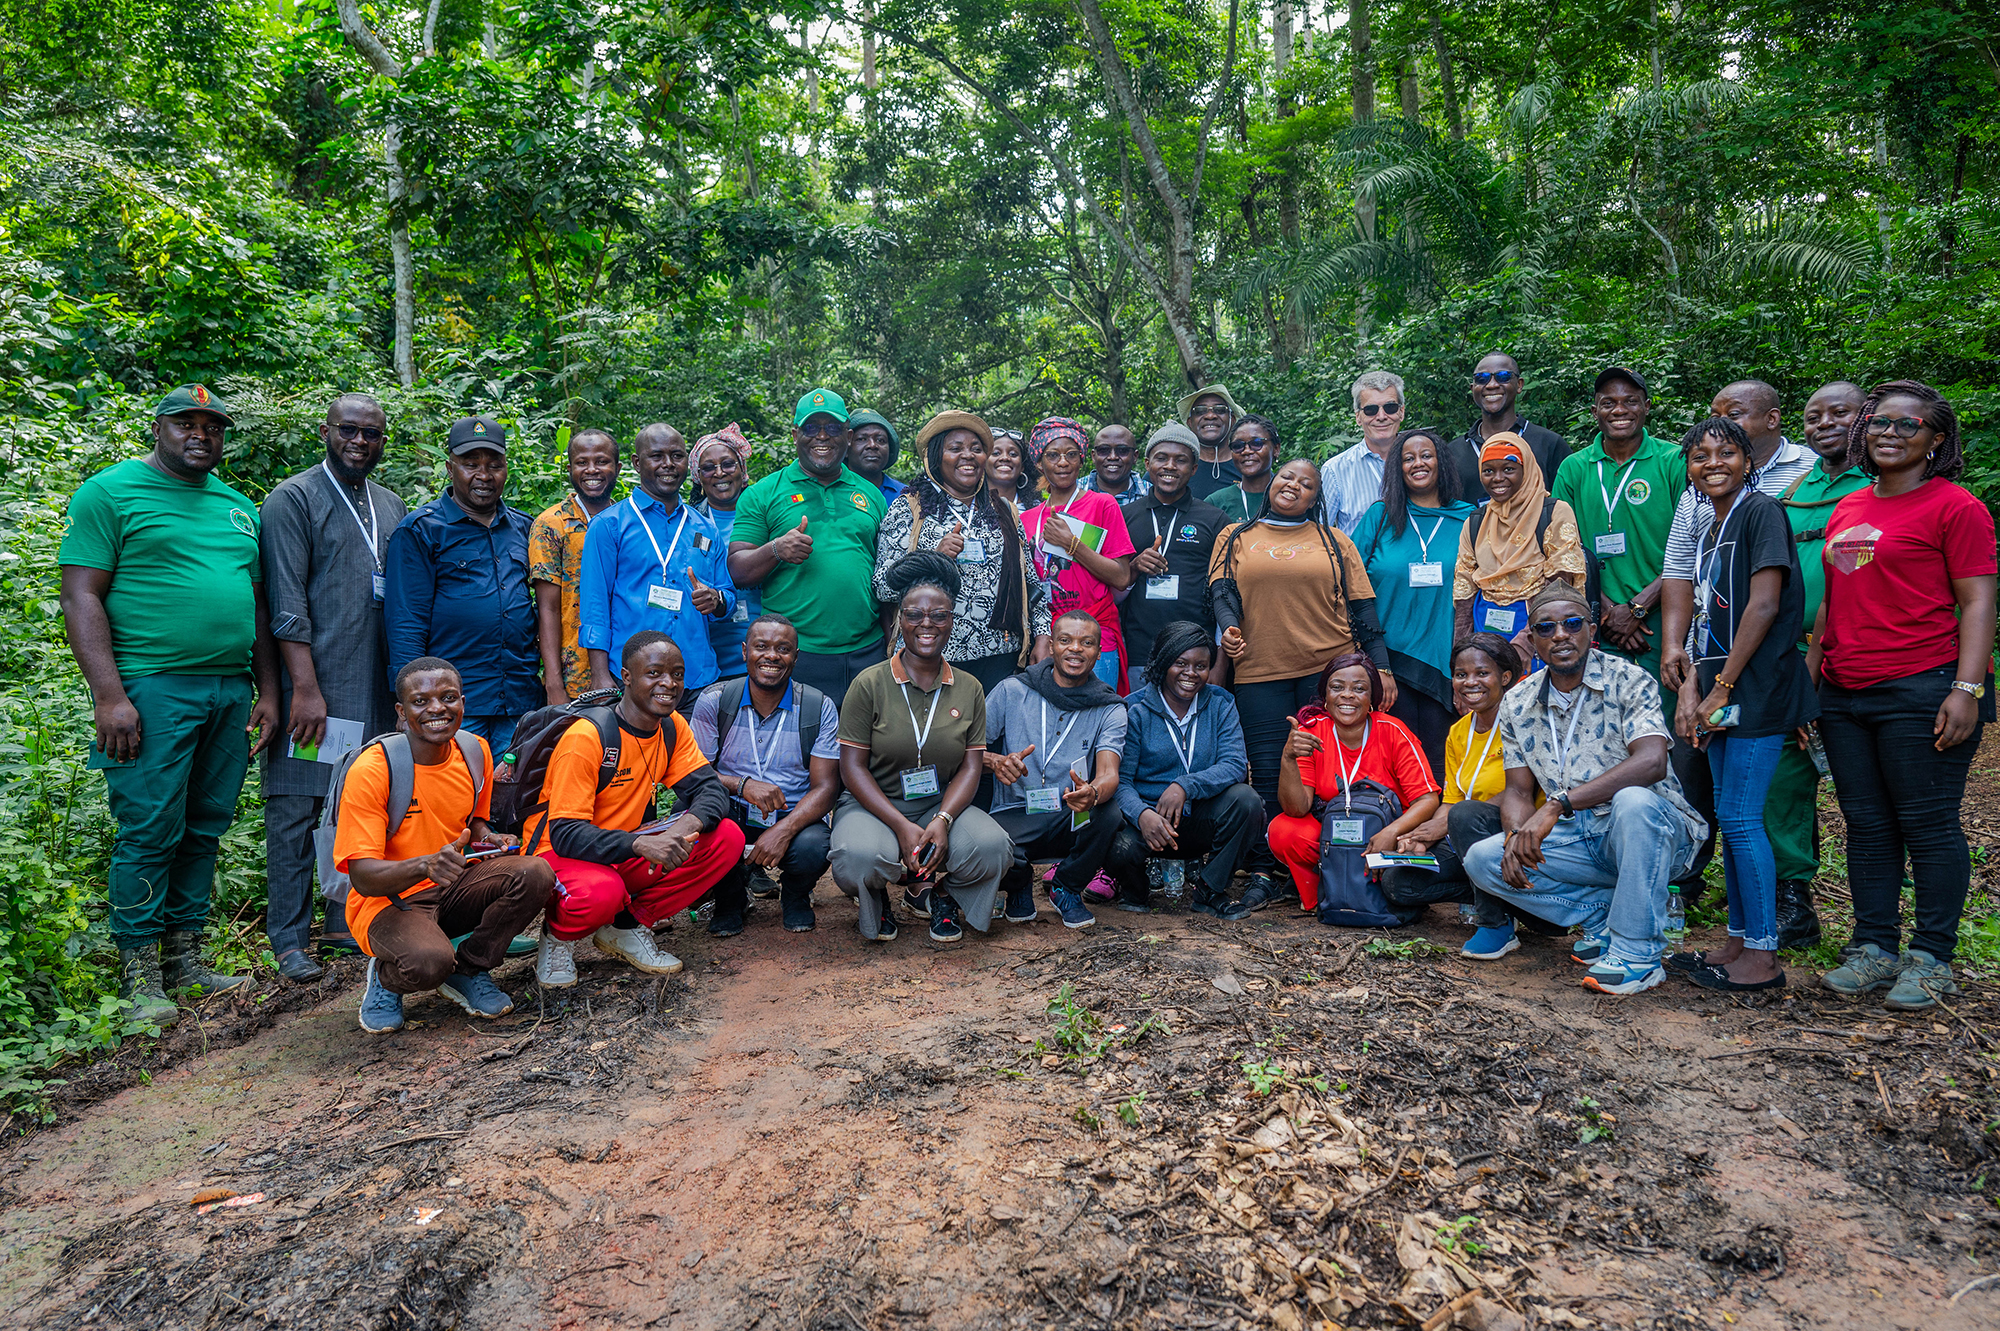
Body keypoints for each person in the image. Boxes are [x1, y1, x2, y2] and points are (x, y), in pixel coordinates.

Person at [59, 383, 277, 1019]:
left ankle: (187, 957)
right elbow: (81, 597)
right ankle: (141, 974)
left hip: (229, 690)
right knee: (151, 825)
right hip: (151, 688)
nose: (200, 435)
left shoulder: (239, 507)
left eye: (213, 427)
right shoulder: (110, 493)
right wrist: (109, 695)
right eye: (187, 423)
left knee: (205, 823)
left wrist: (265, 689)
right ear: (159, 427)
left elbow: (257, 606)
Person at [1809, 381, 1996, 1012]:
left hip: (1924, 683)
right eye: (1879, 423)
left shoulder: (1956, 507)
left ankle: (1932, 957)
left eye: (1906, 426)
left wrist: (1966, 688)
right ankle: (1873, 947)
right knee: (1865, 825)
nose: (1889, 433)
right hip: (1844, 687)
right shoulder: (1849, 506)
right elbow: (1833, 601)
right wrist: (1812, 680)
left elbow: (1977, 602)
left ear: (1935, 440)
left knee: (1927, 822)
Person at [1459, 586, 1708, 995]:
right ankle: (1603, 917)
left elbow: (1652, 762)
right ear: (1533, 638)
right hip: (1580, 838)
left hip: (1650, 833)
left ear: (1590, 630)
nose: (1560, 635)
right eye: (1547, 627)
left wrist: (1559, 804)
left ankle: (1638, 955)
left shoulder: (1628, 679)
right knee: (1484, 859)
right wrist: (1514, 839)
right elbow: (1519, 792)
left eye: (1572, 624)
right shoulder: (1518, 700)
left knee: (1633, 801)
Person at [1660, 417, 1818, 991]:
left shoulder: (1761, 513)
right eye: (1699, 456)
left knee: (1744, 818)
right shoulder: (1710, 528)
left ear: (1749, 460)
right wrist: (1694, 686)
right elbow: (1707, 616)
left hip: (1757, 688)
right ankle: (1738, 940)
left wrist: (1723, 686)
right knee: (1727, 814)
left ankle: (1764, 956)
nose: (1712, 463)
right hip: (1721, 685)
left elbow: (1765, 605)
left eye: (1726, 452)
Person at [259, 392, 410, 980]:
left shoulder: (390, 504)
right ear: (326, 431)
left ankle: (345, 922)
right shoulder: (293, 499)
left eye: (372, 434)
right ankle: (290, 939)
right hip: (317, 686)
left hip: (373, 684)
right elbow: (284, 599)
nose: (360, 442)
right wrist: (304, 688)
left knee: (356, 810)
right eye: (349, 430)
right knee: (297, 807)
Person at [1210, 459, 1391, 909]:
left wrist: (1381, 669)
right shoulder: (1235, 536)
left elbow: (1363, 609)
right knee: (1270, 773)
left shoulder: (1334, 541)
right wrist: (1230, 628)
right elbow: (1221, 592)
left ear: (1316, 496)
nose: (1294, 485)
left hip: (1326, 672)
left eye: (1306, 483)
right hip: (1259, 671)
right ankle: (1267, 871)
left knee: (1326, 770)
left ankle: (1329, 862)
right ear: (1273, 483)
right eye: (1287, 477)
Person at [339, 658, 555, 1034]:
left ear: (463, 703)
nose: (437, 708)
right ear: (401, 712)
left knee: (535, 872)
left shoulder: (474, 752)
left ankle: (470, 970)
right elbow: (362, 877)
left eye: (448, 697)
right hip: (390, 901)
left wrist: (488, 837)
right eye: (420, 701)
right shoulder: (373, 769)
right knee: (427, 964)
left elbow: (473, 820)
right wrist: (424, 866)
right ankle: (387, 976)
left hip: (452, 886)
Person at [530, 632, 745, 986]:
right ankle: (557, 938)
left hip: (622, 847)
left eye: (677, 674)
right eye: (654, 673)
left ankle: (627, 927)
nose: (669, 683)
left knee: (726, 837)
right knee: (603, 891)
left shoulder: (671, 726)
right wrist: (640, 845)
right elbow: (565, 833)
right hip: (559, 854)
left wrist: (682, 826)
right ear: (626, 677)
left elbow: (709, 789)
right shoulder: (588, 737)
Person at [832, 553, 1012, 944]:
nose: (926, 624)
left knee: (993, 848)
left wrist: (944, 819)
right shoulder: (869, 683)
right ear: (899, 618)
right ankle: (876, 899)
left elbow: (969, 766)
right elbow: (852, 768)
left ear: (952, 620)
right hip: (873, 805)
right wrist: (899, 825)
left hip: (936, 806)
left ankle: (942, 894)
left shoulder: (969, 687)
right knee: (857, 858)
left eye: (939, 616)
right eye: (914, 615)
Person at [1761, 381, 1869, 948]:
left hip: (1856, 655)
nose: (1824, 423)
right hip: (1792, 655)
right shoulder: (1797, 489)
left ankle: (1882, 928)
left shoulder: (1879, 489)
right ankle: (1792, 899)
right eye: (1814, 415)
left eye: (1840, 413)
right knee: (1785, 775)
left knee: (1867, 793)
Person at [385, 415, 540, 743]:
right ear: (450, 467)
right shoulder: (421, 531)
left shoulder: (526, 529)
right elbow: (406, 625)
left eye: (494, 464)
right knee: (453, 792)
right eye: (471, 464)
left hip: (519, 702)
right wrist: (412, 704)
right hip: (450, 707)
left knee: (516, 793)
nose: (484, 475)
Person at [728, 388, 888, 707]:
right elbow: (738, 570)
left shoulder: (871, 494)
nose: (822, 437)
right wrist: (776, 549)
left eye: (832, 428)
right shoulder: (763, 493)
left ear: (848, 435)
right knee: (802, 752)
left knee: (867, 751)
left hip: (868, 651)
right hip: (798, 655)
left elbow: (885, 576)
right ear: (795, 434)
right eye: (812, 428)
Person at [875, 411, 1052, 693]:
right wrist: (934, 558)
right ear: (936, 457)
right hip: (932, 657)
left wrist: (1043, 636)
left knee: (990, 737)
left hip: (1001, 657)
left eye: (977, 449)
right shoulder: (910, 508)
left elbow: (1031, 584)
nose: (968, 456)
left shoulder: (1005, 510)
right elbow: (883, 586)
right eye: (955, 448)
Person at [691, 614, 843, 933]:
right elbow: (695, 774)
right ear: (745, 651)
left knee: (815, 844)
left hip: (792, 814)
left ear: (796, 657)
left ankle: (796, 895)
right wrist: (742, 785)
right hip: (733, 810)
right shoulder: (715, 701)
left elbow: (826, 787)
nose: (772, 655)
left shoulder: (819, 706)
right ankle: (730, 900)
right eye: (761, 646)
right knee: (697, 819)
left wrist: (785, 829)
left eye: (783, 648)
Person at [983, 610, 1129, 929]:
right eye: (1065, 640)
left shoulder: (1110, 707)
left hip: (1069, 813)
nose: (1075, 649)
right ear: (1051, 647)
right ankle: (1018, 885)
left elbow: (1109, 772)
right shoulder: (1012, 690)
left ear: (1098, 650)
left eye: (1086, 642)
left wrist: (1092, 792)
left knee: (1109, 813)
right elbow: (967, 749)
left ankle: (1066, 886)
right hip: (1015, 810)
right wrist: (994, 761)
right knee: (985, 841)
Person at [1266, 655, 1441, 915]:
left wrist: (1391, 833)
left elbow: (1427, 800)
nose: (1347, 695)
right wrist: (1288, 758)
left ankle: (1376, 896)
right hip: (1334, 839)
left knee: (1407, 862)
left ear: (1373, 698)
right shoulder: (1312, 731)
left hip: (1389, 834)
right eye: (1337, 687)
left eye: (1359, 689)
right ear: (1325, 695)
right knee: (1283, 830)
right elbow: (1296, 808)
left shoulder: (1393, 731)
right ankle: (1325, 896)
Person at [1110, 622, 1263, 918]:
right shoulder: (1135, 709)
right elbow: (1120, 781)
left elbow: (1234, 764)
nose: (1191, 674)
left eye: (1201, 666)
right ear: (1164, 662)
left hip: (1200, 817)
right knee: (1116, 838)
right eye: (1180, 663)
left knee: (1247, 801)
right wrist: (1142, 815)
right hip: (1150, 824)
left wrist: (1185, 785)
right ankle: (1135, 891)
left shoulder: (1220, 703)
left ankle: (1209, 891)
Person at [1351, 427, 1477, 773]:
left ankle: (1442, 825)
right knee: (1397, 761)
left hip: (1448, 659)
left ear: (1441, 463)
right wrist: (1377, 663)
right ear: (1397, 468)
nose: (1417, 463)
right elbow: (1350, 586)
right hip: (1390, 662)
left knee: (1446, 757)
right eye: (1408, 458)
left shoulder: (1470, 518)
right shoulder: (1379, 517)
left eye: (1426, 455)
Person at [579, 423, 737, 698]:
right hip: (632, 678)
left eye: (677, 456)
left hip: (696, 678)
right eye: (657, 456)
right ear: (637, 463)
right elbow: (595, 606)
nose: (668, 464)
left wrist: (717, 600)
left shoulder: (705, 528)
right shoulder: (608, 525)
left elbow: (728, 597)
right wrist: (600, 674)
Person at [1550, 368, 1684, 687]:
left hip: (1664, 623)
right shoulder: (1574, 468)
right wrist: (1612, 614)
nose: (1620, 410)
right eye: (1609, 403)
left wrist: (1637, 610)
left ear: (1647, 406)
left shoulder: (1675, 461)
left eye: (1631, 401)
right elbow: (1561, 550)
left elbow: (1691, 548)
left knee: (1663, 723)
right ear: (1595, 411)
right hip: (1597, 622)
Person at [1387, 635, 1530, 926]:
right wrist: (1425, 836)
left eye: (1482, 673)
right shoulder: (1459, 732)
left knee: (1466, 815)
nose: (1469, 682)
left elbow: (1524, 788)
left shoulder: (1524, 722)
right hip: (1463, 835)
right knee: (1398, 883)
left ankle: (1500, 918)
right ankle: (1496, 896)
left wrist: (1448, 823)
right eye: (1461, 675)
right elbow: (1452, 799)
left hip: (1514, 834)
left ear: (1505, 677)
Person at [1021, 418, 1136, 690]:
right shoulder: (1026, 519)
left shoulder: (1102, 505)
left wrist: (1071, 544)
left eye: (1071, 454)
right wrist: (1041, 636)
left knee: (1097, 720)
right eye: (1053, 455)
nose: (1063, 462)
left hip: (1095, 635)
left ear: (1082, 459)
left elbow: (1121, 577)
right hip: (1047, 635)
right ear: (1039, 462)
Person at [1451, 433, 1587, 647]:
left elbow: (1560, 583)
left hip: (1541, 633)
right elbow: (1464, 590)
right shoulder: (1476, 521)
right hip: (1486, 632)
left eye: (1508, 469)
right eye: (1488, 471)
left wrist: (1525, 642)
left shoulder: (1553, 513)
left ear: (1527, 470)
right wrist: (1462, 650)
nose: (1497, 478)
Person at [1120, 425, 1229, 683]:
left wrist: (1220, 664)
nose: (1170, 466)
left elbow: (1226, 592)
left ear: (1193, 468)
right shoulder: (1125, 516)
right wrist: (1135, 566)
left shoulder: (1215, 519)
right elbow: (1112, 582)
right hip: (1138, 651)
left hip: (1196, 654)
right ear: (1147, 463)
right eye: (1161, 458)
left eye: (1180, 460)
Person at [531, 428, 620, 705]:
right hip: (575, 676)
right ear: (569, 468)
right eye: (582, 462)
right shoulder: (551, 524)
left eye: (601, 461)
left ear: (617, 467)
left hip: (626, 668)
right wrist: (554, 683)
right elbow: (548, 607)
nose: (592, 470)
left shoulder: (628, 521)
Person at [1445, 352, 1571, 505]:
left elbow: (1566, 509)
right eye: (1482, 378)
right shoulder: (1452, 452)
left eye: (1503, 376)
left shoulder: (1550, 444)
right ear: (1473, 388)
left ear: (1519, 384)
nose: (1492, 385)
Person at [688, 424, 760, 680]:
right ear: (698, 476)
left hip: (763, 650)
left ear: (742, 469)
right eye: (708, 467)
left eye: (728, 464)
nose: (719, 473)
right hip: (709, 655)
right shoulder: (688, 524)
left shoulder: (765, 515)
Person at [1320, 371, 1406, 534]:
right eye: (1371, 410)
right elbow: (1321, 534)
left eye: (1390, 407)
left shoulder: (1423, 464)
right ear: (1358, 417)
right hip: (1357, 559)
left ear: (1401, 412)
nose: (1381, 416)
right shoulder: (1335, 471)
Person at [1209, 413, 1278, 526]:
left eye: (1256, 443)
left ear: (1276, 449)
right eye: (1238, 446)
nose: (1246, 451)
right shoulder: (1216, 502)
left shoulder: (1290, 496)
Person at [1178, 385, 1244, 499]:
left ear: (1232, 420)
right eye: (1200, 411)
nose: (1210, 416)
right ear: (1190, 423)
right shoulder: (1175, 464)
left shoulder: (1248, 463)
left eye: (1220, 410)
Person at [1081, 424, 1148, 504]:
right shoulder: (1072, 492)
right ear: (1093, 456)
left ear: (1134, 456)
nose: (1112, 457)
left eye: (1122, 450)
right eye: (1103, 450)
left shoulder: (1152, 494)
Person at [846, 409, 905, 500]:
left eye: (880, 440)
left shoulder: (906, 495)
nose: (872, 445)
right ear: (846, 449)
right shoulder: (829, 494)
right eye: (861, 439)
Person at [986, 428, 1038, 508]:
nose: (1005, 458)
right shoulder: (968, 507)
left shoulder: (1038, 511)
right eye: (996, 453)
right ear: (983, 463)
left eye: (1013, 454)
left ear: (1022, 467)